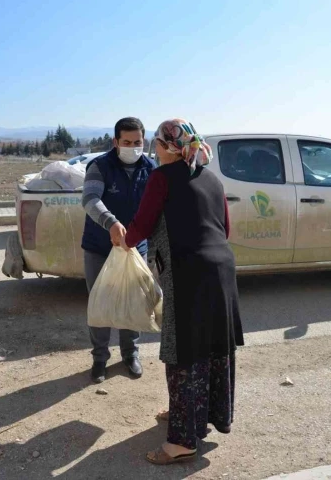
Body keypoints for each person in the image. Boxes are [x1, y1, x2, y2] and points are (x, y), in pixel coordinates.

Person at [121, 118, 244, 465]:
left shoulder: (161, 178)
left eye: (156, 144)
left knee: (183, 354)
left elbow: (141, 227)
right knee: (214, 349)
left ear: (168, 147)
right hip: (222, 270)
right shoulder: (211, 178)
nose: (153, 150)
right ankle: (200, 415)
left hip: (188, 274)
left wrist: (123, 240)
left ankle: (182, 441)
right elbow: (226, 227)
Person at [81, 117, 156, 383]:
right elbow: (90, 199)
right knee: (100, 303)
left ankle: (130, 354)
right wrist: (111, 223)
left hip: (136, 248)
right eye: (127, 142)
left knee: (132, 302)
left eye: (138, 142)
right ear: (115, 142)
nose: (133, 147)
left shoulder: (151, 168)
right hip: (99, 248)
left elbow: (157, 210)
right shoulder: (100, 166)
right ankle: (100, 358)